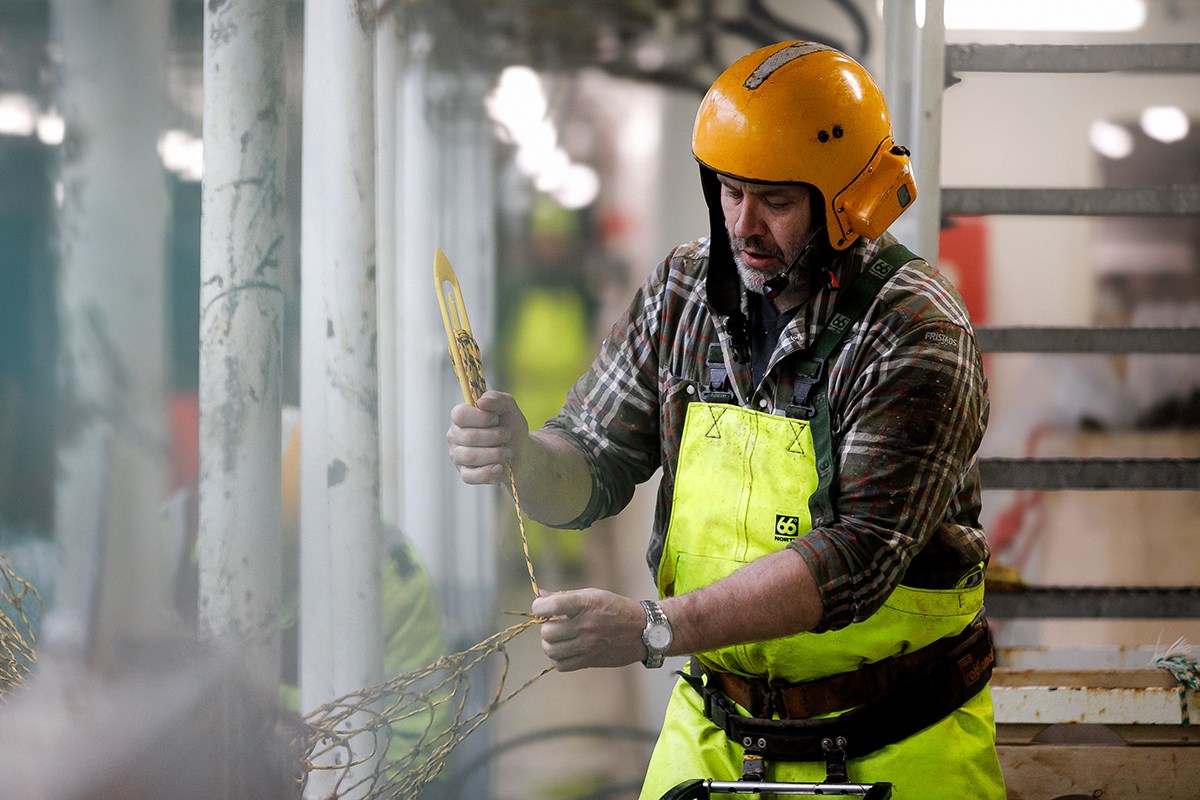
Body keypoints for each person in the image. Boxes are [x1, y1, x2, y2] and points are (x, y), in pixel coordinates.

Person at [447, 41, 1004, 799]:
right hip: (718, 733)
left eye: (775, 202)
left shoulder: (913, 329)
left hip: (897, 741)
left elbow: (857, 557)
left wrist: (654, 628)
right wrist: (525, 457)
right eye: (731, 192)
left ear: (845, 207)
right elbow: (593, 458)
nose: (743, 225)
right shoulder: (683, 289)